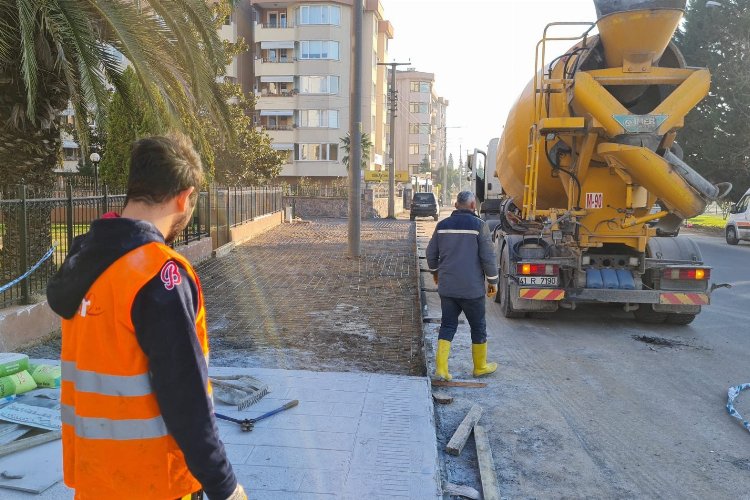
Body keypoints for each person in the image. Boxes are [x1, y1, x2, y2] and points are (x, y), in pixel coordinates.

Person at [47, 134, 246, 500]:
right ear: (184, 197)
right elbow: (186, 398)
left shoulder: (85, 260)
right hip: (155, 484)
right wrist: (224, 485)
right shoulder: (159, 275)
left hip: (95, 482)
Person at [426, 191, 499, 380]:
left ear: (456, 205)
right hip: (472, 290)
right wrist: (493, 281)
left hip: (448, 288)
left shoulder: (442, 226)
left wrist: (436, 272)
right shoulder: (480, 226)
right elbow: (488, 258)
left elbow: (431, 254)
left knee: (448, 325)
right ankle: (480, 367)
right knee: (478, 326)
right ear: (473, 205)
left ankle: (441, 370)